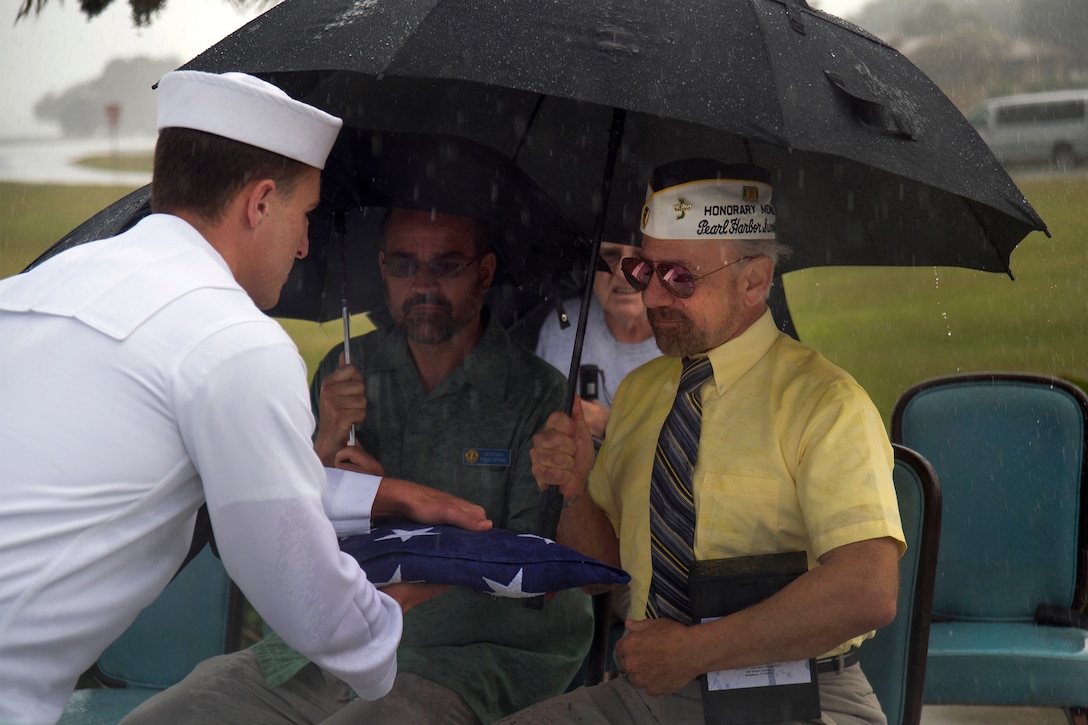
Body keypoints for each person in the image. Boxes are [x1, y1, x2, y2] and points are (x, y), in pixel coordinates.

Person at [0, 71, 491, 725]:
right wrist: (382, 625)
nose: (305, 245)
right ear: (260, 203)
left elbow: (236, 480)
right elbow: (299, 586)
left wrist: (393, 495)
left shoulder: (30, 290)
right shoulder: (231, 340)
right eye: (305, 216)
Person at [125, 206, 594, 725]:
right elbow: (286, 534)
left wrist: (387, 502)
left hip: (469, 657)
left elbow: (534, 569)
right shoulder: (346, 373)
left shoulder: (537, 393)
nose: (422, 284)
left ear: (484, 273)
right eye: (403, 265)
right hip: (327, 650)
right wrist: (324, 450)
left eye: (446, 266)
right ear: (380, 267)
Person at [506, 159, 906, 724]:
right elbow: (605, 569)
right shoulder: (643, 394)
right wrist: (572, 488)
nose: (649, 299)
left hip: (796, 692)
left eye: (680, 278)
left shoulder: (826, 404)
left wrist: (695, 652)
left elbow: (868, 589)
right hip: (653, 692)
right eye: (645, 272)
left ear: (755, 281)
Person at [534, 240, 658, 440]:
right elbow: (533, 418)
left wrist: (612, 427)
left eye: (640, 256)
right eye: (609, 255)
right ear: (587, 269)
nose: (622, 272)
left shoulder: (686, 346)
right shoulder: (564, 324)